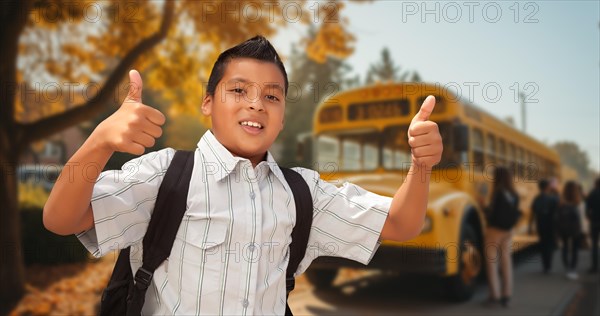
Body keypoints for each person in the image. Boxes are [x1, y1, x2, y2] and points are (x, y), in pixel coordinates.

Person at [42, 36, 443, 315]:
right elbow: (61, 219)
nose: (256, 104)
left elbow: (402, 223)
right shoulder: (165, 174)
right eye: (238, 90)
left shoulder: (303, 193)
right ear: (208, 101)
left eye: (272, 96)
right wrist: (99, 143)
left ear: (283, 115)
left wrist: (420, 166)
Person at [484, 166, 519, 308]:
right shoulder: (514, 194)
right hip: (508, 231)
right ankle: (507, 295)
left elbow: (491, 214)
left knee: (492, 263)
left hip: (494, 231)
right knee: (506, 262)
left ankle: (495, 295)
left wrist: (482, 207)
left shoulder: (497, 193)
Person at [529, 179, 559, 274]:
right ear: (547, 187)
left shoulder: (536, 198)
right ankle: (548, 266)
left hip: (540, 224)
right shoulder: (553, 198)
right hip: (551, 225)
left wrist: (530, 226)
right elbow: (557, 213)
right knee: (549, 246)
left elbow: (533, 213)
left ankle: (545, 266)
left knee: (543, 245)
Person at [556, 181, 584, 280]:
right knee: (575, 250)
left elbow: (558, 217)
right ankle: (572, 269)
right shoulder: (577, 202)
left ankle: (567, 268)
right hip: (575, 229)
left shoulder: (561, 202)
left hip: (563, 229)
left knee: (565, 248)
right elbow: (580, 218)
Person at [586, 177, 600, 273]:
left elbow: (587, 209)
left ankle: (594, 267)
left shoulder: (592, 193)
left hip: (595, 222)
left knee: (594, 245)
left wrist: (590, 219)